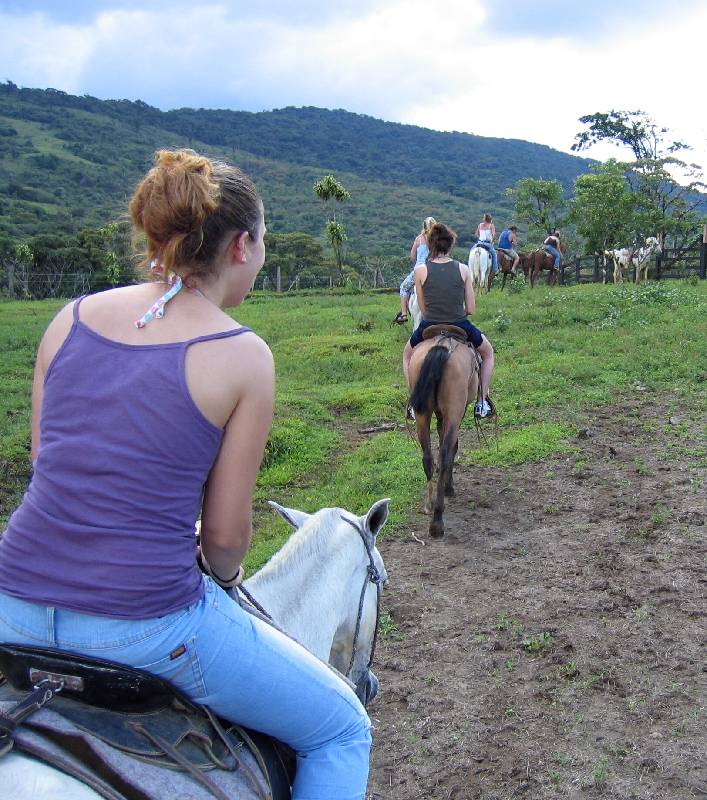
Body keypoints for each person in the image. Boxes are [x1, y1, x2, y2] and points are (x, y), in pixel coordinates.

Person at [0, 149, 371, 800]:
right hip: (144, 626)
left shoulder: (69, 319)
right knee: (340, 729)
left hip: (12, 607)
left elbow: (46, 463)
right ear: (244, 246)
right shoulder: (241, 355)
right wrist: (222, 581)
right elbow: (225, 539)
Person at [402, 222, 495, 419]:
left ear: (431, 245)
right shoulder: (463, 270)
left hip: (429, 323)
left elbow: (423, 308)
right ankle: (482, 402)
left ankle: (412, 401)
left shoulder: (420, 271)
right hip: (459, 323)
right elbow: (471, 309)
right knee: (487, 353)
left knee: (408, 356)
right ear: (450, 245)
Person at [395, 216, 436, 324]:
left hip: (419, 270)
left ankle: (404, 314)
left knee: (403, 287)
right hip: (434, 269)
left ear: (423, 226)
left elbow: (412, 256)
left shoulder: (419, 238)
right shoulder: (437, 239)